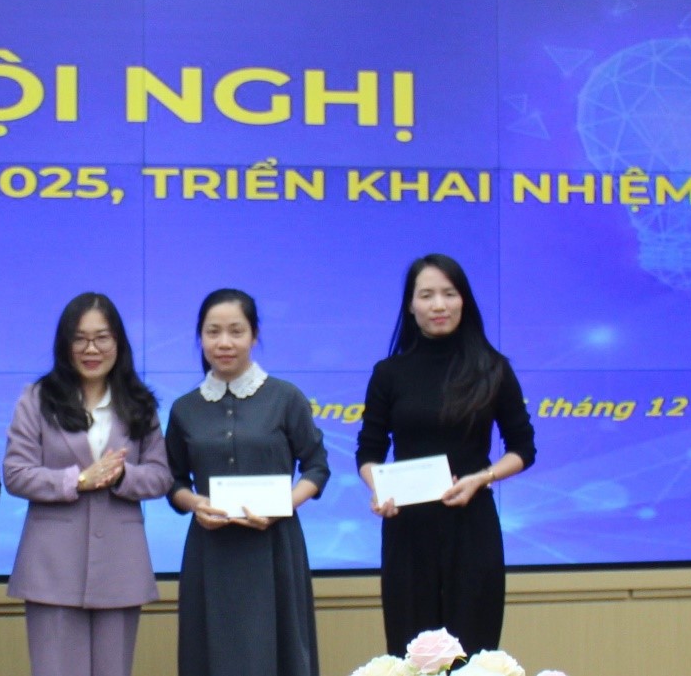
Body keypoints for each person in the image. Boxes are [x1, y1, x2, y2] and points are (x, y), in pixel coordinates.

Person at [355, 253, 537, 656]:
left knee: (473, 651)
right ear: (410, 305)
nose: (438, 305)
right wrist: (378, 488)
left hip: (471, 525)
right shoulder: (389, 373)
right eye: (427, 295)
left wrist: (481, 478)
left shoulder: (492, 368)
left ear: (463, 300)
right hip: (407, 528)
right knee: (411, 652)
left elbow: (523, 448)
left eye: (448, 294)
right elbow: (368, 450)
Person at [4, 293, 172, 676]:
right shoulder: (37, 399)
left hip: (120, 567)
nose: (91, 349)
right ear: (64, 344)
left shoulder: (139, 403)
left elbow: (161, 475)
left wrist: (122, 476)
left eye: (101, 338)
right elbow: (15, 473)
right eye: (79, 339)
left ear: (118, 343)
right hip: (52, 569)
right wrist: (78, 480)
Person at [165, 288, 329, 676]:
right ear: (200, 337)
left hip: (274, 545)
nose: (224, 343)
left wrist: (283, 505)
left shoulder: (285, 397)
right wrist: (195, 503)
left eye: (236, 331)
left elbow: (317, 467)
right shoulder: (185, 408)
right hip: (210, 550)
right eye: (213, 332)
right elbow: (172, 480)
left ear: (254, 335)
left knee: (278, 652)